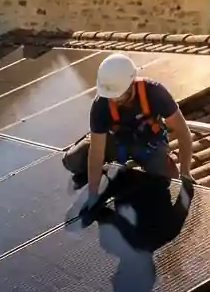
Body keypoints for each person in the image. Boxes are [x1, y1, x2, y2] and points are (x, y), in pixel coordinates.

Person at [62, 53, 195, 209]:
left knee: (164, 180)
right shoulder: (101, 104)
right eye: (111, 96)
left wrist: (185, 172)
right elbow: (97, 152)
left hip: (149, 144)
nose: (114, 99)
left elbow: (182, 131)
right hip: (116, 143)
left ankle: (159, 162)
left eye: (119, 95)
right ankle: (103, 164)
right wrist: (93, 193)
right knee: (73, 160)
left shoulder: (155, 92)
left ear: (131, 83)